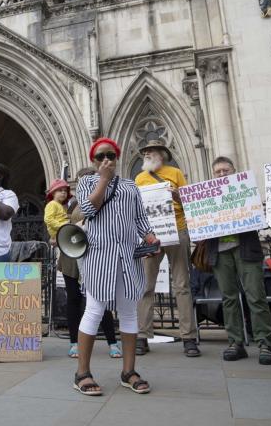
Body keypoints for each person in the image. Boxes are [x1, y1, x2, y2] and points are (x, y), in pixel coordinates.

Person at [73, 138, 160, 396]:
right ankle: (82, 373)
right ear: (94, 161)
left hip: (128, 256)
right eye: (100, 157)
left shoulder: (131, 187)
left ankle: (129, 371)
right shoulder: (86, 182)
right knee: (94, 311)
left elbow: (141, 220)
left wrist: (150, 238)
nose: (106, 160)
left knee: (129, 312)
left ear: (117, 156)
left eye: (109, 155)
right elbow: (88, 209)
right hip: (100, 257)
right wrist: (102, 179)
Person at [204, 156, 271, 365]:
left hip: (246, 250)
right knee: (229, 299)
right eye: (217, 172)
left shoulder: (246, 191)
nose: (221, 174)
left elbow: (260, 222)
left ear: (234, 171)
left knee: (256, 297)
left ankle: (264, 342)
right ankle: (235, 342)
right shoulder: (209, 197)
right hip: (220, 252)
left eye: (225, 170)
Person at [133, 138, 200, 358]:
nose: (147, 155)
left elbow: (190, 201)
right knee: (146, 286)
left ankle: (188, 337)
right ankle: (142, 336)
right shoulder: (139, 179)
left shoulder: (175, 173)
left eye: (151, 151)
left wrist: (174, 194)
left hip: (177, 229)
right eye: (145, 152)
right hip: (151, 235)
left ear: (162, 154)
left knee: (181, 284)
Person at [43, 177, 121, 359]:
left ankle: (112, 342)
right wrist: (60, 235)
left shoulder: (103, 201)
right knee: (74, 300)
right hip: (70, 256)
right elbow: (56, 228)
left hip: (94, 255)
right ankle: (74, 343)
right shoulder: (67, 206)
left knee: (100, 300)